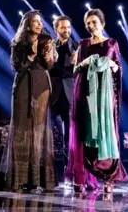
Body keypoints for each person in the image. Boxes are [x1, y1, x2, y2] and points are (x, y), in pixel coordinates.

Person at [0, 11, 58, 192]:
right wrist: (30, 54)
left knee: (39, 129)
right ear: (27, 24)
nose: (38, 24)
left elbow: (50, 65)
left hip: (42, 85)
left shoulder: (47, 39)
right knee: (21, 127)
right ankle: (18, 178)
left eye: (40, 21)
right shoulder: (18, 43)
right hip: (22, 86)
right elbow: (17, 67)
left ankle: (39, 178)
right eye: (34, 21)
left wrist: (45, 55)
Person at [65, 8, 128, 194]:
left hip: (106, 94)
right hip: (86, 93)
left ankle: (109, 177)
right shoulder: (83, 44)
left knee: (106, 132)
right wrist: (83, 63)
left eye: (94, 22)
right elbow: (75, 70)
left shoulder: (112, 43)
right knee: (85, 133)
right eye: (88, 23)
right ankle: (82, 176)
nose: (91, 26)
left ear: (103, 23)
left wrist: (112, 65)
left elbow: (119, 70)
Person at [49, 16, 78, 168]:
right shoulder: (49, 45)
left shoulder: (77, 46)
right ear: (56, 29)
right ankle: (46, 168)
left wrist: (75, 63)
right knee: (47, 131)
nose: (66, 30)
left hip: (69, 93)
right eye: (63, 27)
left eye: (68, 27)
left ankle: (69, 167)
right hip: (52, 93)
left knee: (69, 133)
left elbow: (81, 70)